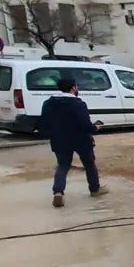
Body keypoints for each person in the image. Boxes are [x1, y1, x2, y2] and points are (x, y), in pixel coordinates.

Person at [38, 78, 107, 207]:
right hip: (81, 139)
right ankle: (94, 189)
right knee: (89, 164)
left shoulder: (48, 103)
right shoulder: (78, 104)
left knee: (63, 165)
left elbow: (43, 123)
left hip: (59, 139)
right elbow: (84, 124)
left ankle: (58, 192)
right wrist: (95, 128)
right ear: (73, 88)